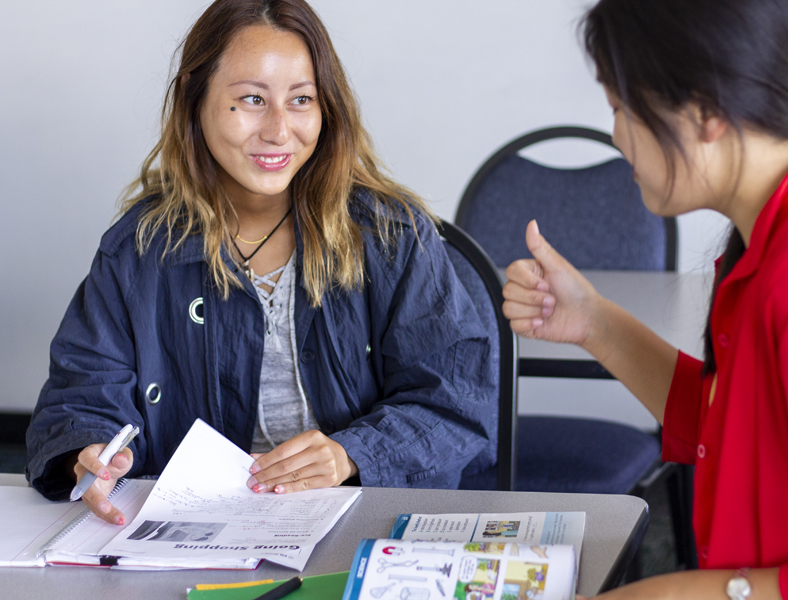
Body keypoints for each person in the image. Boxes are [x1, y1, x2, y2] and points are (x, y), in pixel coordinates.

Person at [26, 0, 495, 527]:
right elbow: (80, 397)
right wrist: (89, 451)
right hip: (192, 534)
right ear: (193, 99)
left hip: (359, 522)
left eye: (301, 100)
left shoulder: (391, 235)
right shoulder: (139, 248)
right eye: (252, 99)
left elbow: (457, 403)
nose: (278, 130)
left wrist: (351, 452)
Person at [502, 0, 788, 598]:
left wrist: (696, 591)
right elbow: (722, 427)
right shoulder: (761, 245)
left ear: (704, 108)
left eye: (619, 107)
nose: (615, 134)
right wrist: (594, 322)